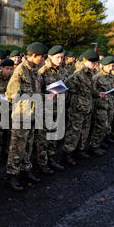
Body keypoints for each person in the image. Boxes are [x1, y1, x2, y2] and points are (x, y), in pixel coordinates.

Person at [5, 42, 48, 190]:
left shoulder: (34, 70)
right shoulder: (20, 71)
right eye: (43, 57)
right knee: (17, 147)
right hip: (22, 116)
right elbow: (10, 95)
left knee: (28, 145)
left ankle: (25, 169)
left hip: (32, 114)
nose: (44, 60)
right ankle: (12, 175)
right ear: (34, 56)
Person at [62, 49, 97, 165]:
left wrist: (97, 94)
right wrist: (76, 94)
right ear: (86, 61)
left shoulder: (90, 74)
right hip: (78, 107)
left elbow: (90, 90)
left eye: (96, 62)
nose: (95, 64)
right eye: (93, 62)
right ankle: (68, 153)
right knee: (74, 131)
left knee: (84, 130)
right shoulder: (79, 73)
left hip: (87, 106)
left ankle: (80, 150)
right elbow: (66, 84)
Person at [36, 45, 67, 175]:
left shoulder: (62, 70)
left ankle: (51, 158)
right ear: (50, 57)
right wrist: (47, 96)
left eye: (62, 57)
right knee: (44, 138)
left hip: (58, 106)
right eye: (57, 57)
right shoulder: (42, 71)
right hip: (45, 109)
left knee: (54, 135)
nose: (60, 60)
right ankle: (42, 163)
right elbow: (35, 92)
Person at [0, 58, 14, 159]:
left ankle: (6, 151)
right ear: (2, 68)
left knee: (9, 132)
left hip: (10, 110)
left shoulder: (13, 79)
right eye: (7, 68)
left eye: (11, 68)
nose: (9, 71)